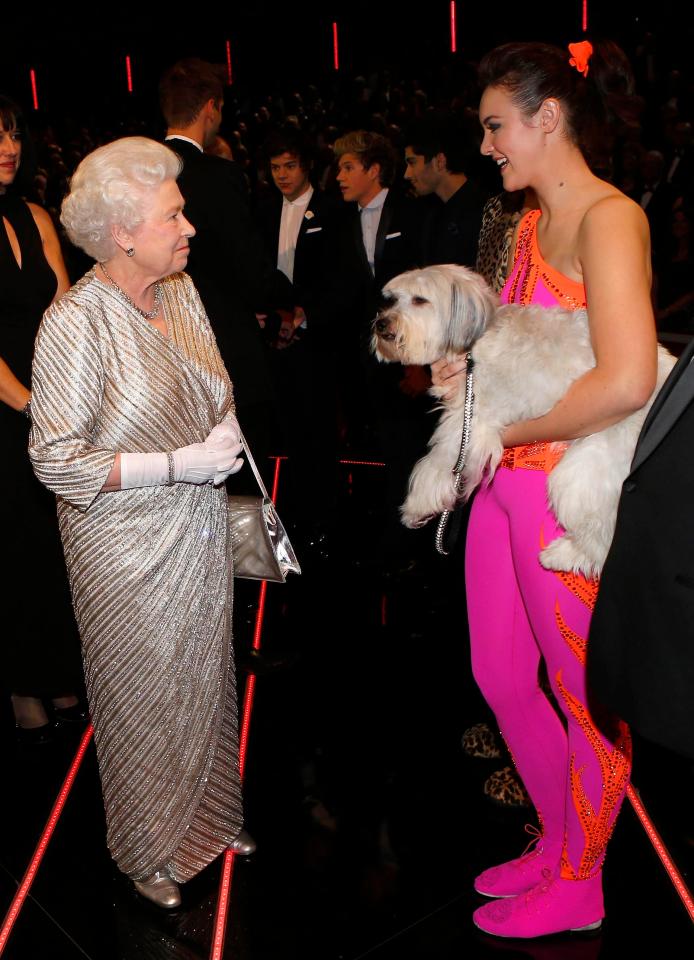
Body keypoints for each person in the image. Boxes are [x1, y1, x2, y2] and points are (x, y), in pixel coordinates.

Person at [432, 41, 657, 937]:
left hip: (562, 493)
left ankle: (582, 882)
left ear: (547, 117)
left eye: (496, 126)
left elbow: (630, 377)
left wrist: (503, 431)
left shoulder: (610, 218)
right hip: (502, 485)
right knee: (499, 676)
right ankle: (559, 838)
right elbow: (525, 349)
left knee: (582, 693)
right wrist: (469, 373)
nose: (488, 146)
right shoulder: (525, 225)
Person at [29, 137, 255, 909]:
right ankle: (146, 848)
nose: (190, 226)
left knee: (207, 673)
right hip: (120, 546)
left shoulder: (182, 293)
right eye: (173, 215)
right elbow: (56, 460)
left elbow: (211, 388)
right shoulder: (73, 323)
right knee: (140, 693)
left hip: (196, 524)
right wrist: (174, 465)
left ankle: (216, 816)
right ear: (123, 231)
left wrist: (223, 436)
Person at [0, 95, 85, 744]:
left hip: (48, 406)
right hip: (6, 413)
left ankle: (59, 673)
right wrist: (29, 404)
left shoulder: (35, 215)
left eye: (11, 134)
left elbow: (63, 306)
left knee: (57, 548)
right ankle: (21, 686)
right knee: (15, 552)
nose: (6, 147)